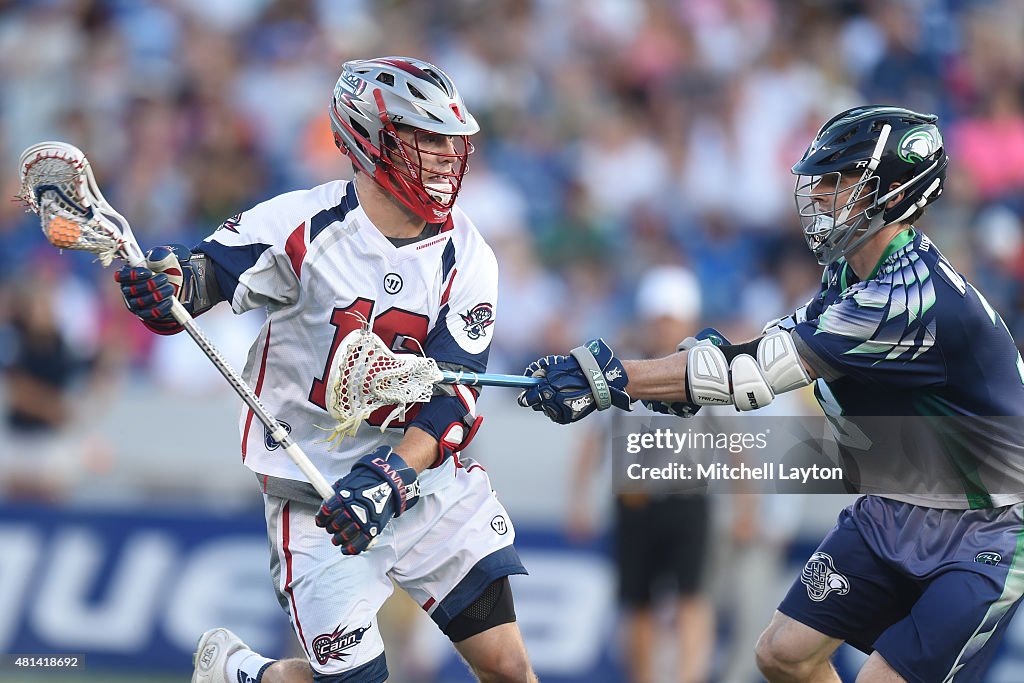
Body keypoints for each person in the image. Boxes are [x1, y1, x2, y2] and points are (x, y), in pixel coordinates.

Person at [518, 105, 1024, 682]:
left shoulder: (908, 297)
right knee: (783, 654)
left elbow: (752, 376)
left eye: (842, 180)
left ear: (892, 191)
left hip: (985, 525)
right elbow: (759, 349)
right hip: (892, 506)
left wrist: (609, 377)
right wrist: (670, 376)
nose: (823, 195)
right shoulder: (849, 275)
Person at [116, 56, 535, 683]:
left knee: (508, 668)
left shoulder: (467, 256)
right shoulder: (300, 225)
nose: (446, 154)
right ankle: (247, 674)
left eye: (450, 137)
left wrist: (391, 476)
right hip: (311, 489)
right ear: (369, 140)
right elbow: (199, 281)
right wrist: (163, 286)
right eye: (423, 137)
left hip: (420, 482)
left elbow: (454, 397)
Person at [568, 266, 715, 683]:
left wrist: (747, 504)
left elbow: (734, 443)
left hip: (688, 498)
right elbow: (592, 440)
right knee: (639, 602)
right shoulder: (621, 371)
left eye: (671, 317)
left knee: (691, 597)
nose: (665, 326)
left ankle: (688, 678)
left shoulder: (705, 369)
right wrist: (578, 498)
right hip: (634, 500)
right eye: (660, 317)